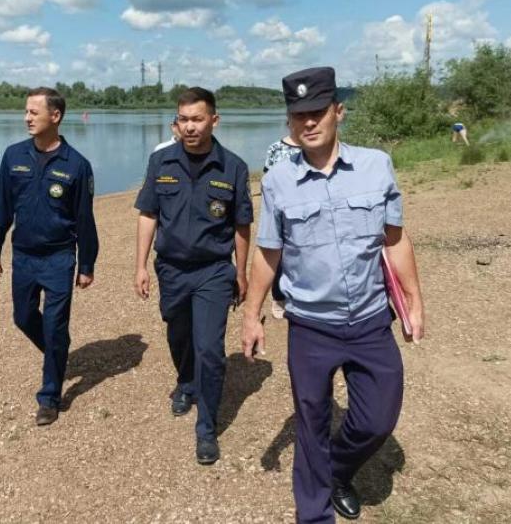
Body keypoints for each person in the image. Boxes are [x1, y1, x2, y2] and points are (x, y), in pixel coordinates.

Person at [241, 67, 426, 523]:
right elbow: (267, 254)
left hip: (369, 320)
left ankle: (338, 469)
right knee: (311, 424)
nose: (308, 122)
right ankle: (314, 513)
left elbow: (396, 240)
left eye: (317, 112)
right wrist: (252, 314)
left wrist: (415, 300)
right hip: (310, 325)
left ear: (338, 111)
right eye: (297, 114)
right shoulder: (279, 180)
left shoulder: (375, 165)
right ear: (289, 121)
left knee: (377, 419)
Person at [134, 87, 253, 465]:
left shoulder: (232, 167)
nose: (189, 127)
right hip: (171, 268)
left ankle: (207, 429)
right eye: (183, 119)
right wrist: (139, 266)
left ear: (214, 120)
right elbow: (148, 214)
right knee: (178, 332)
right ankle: (186, 383)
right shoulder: (161, 163)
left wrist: (243, 272)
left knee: (210, 349)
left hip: (214, 271)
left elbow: (242, 225)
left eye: (197, 119)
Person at [0, 87, 99, 427]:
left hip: (59, 257)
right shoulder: (13, 156)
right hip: (23, 256)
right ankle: (57, 350)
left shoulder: (77, 165)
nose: (27, 118)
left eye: (34, 112)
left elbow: (85, 220)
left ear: (56, 116)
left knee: (55, 322)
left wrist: (87, 264)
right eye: (26, 112)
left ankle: (49, 396)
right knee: (23, 318)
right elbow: (1, 206)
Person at [262, 131, 302, 320]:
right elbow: (266, 180)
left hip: (307, 208)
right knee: (277, 252)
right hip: (281, 208)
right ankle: (278, 297)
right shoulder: (275, 148)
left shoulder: (314, 146)